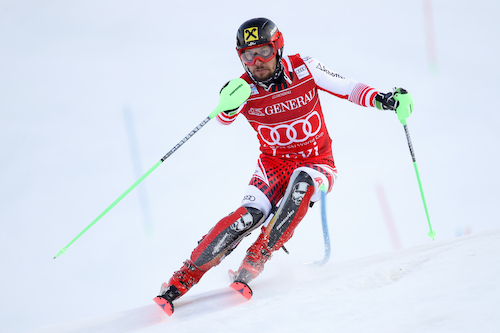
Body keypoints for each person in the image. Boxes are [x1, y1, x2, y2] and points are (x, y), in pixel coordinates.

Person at [155, 17, 407, 312]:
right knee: (246, 217)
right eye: (247, 55)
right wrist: (228, 100)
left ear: (278, 48)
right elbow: (224, 118)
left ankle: (257, 258)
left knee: (303, 183)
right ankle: (179, 281)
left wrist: (383, 99)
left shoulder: (304, 67)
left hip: (317, 161)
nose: (256, 61)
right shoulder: (243, 87)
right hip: (273, 165)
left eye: (263, 51)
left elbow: (347, 87)